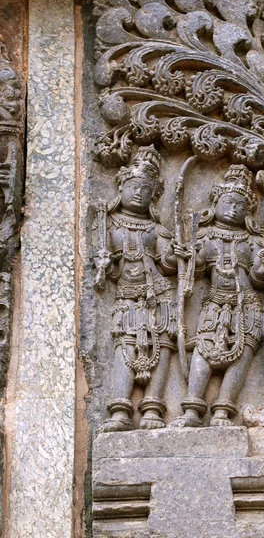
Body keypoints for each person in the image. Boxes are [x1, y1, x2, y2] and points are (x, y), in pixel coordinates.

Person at [171, 164, 264, 427]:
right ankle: (192, 408)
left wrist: (263, 266)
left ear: (248, 212)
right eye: (228, 202)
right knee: (204, 351)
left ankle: (223, 411)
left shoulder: (251, 241)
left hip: (246, 305)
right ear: (214, 203)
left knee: (242, 354)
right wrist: (189, 256)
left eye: (240, 205)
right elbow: (198, 269)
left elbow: (256, 279)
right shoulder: (205, 235)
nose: (234, 208)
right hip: (215, 302)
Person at [94, 145, 177, 431]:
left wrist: (176, 254)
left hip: (159, 294)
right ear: (122, 187)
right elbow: (111, 269)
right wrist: (105, 265)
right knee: (125, 345)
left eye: (146, 189)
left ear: (154, 195)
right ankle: (120, 409)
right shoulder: (108, 222)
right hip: (128, 295)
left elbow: (167, 264)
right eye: (133, 187)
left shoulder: (156, 228)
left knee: (163, 344)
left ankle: (153, 407)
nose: (139, 193)